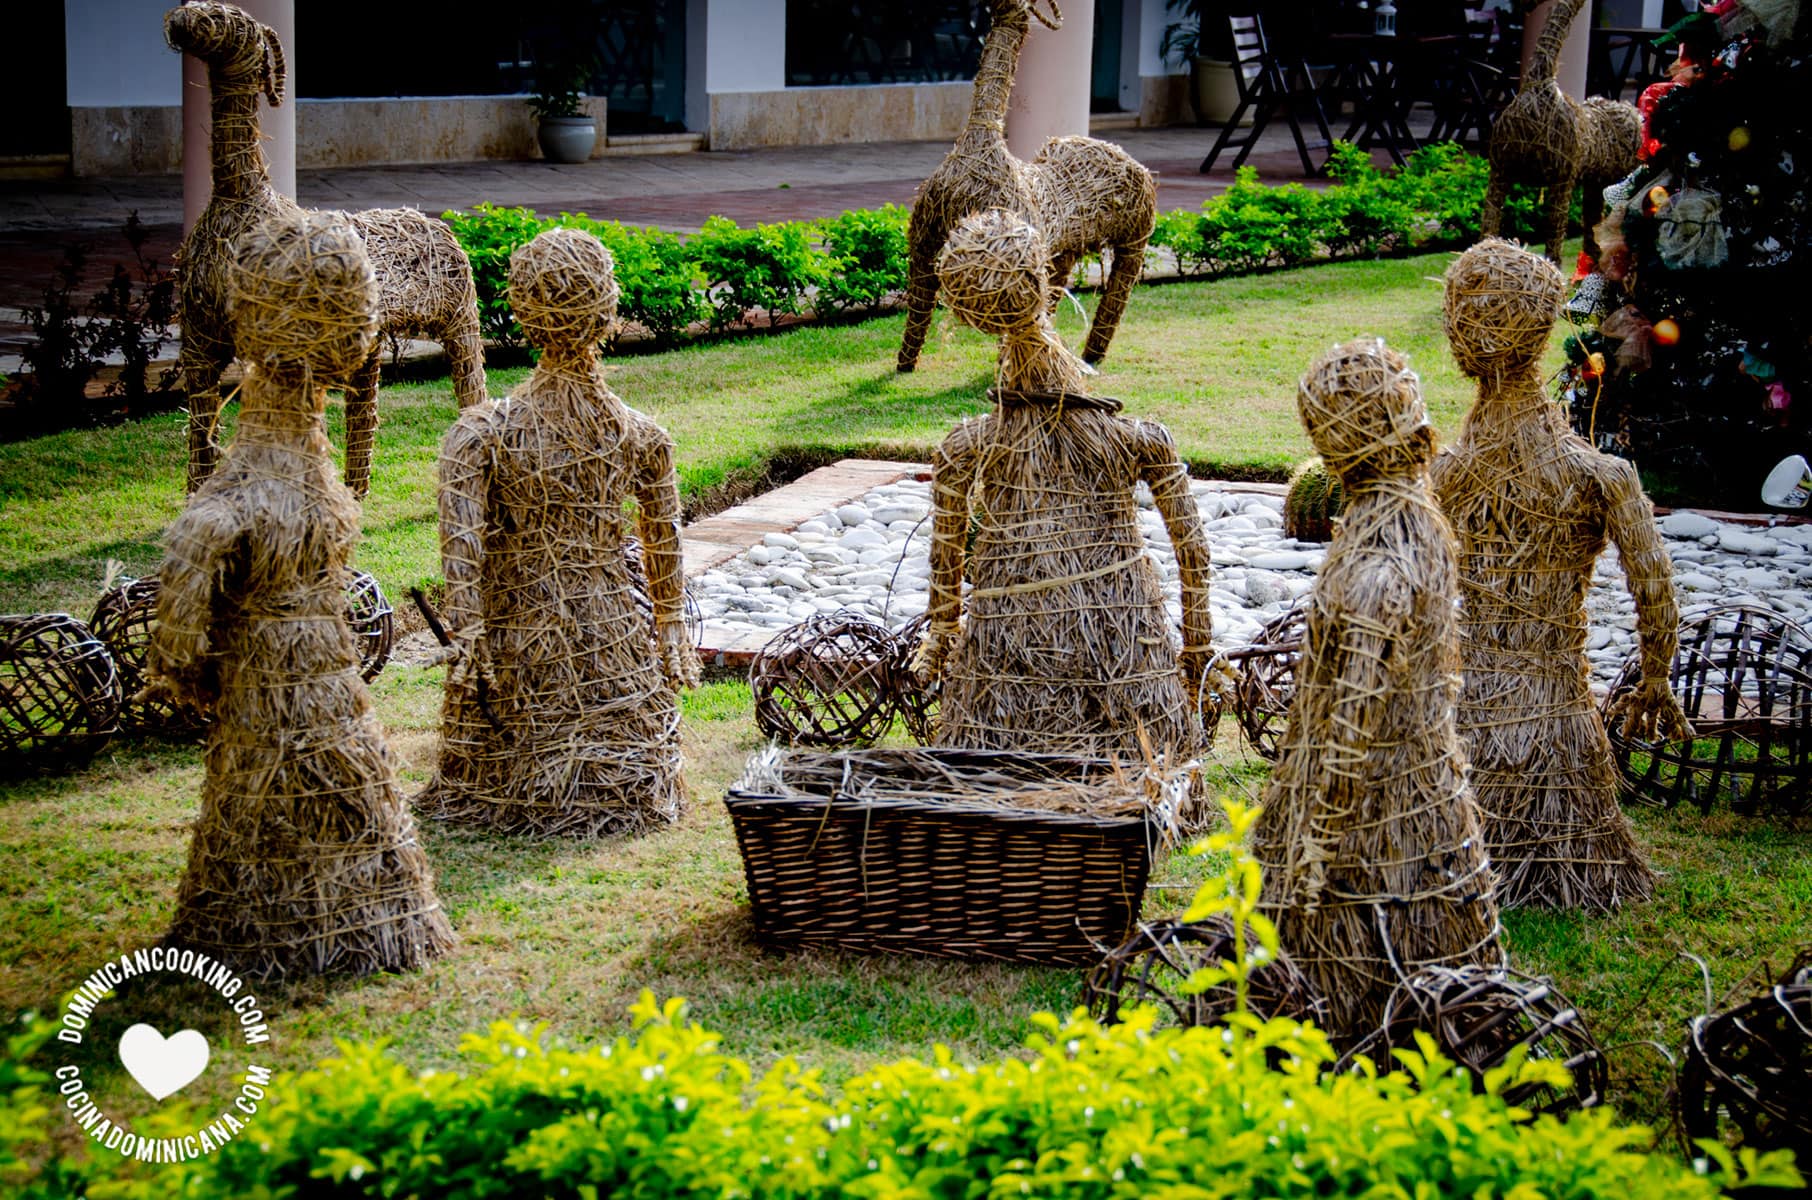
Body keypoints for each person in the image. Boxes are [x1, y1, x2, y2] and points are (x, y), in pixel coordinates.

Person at [149, 211, 452, 977]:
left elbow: (193, 587)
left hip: (319, 675)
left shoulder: (292, 467)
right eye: (353, 317)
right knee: (290, 790)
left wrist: (189, 663)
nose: (363, 338)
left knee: (334, 785)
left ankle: (353, 922)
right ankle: (285, 930)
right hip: (282, 681)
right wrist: (190, 658)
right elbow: (200, 551)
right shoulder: (254, 487)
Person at [1253, 338, 1500, 1039]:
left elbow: (1349, 731)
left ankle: (1348, 1018)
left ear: (1329, 443)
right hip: (1425, 787)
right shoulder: (1422, 518)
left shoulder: (1379, 563)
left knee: (1345, 933)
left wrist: (1316, 843)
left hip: (1375, 807)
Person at [1432, 238, 1688, 910]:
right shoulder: (1594, 476)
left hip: (1470, 723)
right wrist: (1656, 678)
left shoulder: (1443, 477)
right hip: (1552, 727)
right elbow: (1656, 591)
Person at [915, 209, 1215, 775]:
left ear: (967, 309)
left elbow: (946, 571)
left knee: (985, 777)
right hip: (1128, 671)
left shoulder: (966, 446)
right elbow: (1194, 553)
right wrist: (1198, 653)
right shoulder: (1136, 440)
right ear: (1044, 278)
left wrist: (942, 640)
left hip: (1002, 687)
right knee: (1157, 771)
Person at [422, 227, 699, 837]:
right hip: (609, 638)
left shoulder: (481, 434)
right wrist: (671, 628)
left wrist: (470, 641)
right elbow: (663, 549)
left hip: (521, 637)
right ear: (610, 311)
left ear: (521, 311)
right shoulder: (642, 435)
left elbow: (461, 561)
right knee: (620, 738)